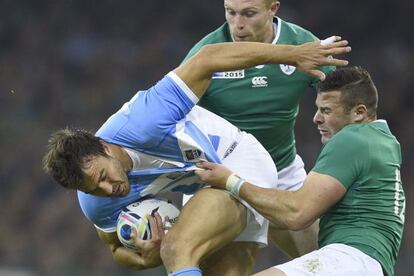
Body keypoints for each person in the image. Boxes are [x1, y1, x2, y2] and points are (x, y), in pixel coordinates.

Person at [43, 39, 350, 276]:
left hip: (237, 159)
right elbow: (115, 250)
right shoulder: (95, 202)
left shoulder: (145, 118)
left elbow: (207, 59)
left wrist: (291, 55)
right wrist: (143, 257)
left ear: (105, 147)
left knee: (178, 248)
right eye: (93, 189)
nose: (108, 190)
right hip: (202, 186)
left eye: (102, 177)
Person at [196, 66, 405, 276]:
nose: (316, 118)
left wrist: (230, 181)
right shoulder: (384, 141)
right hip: (370, 265)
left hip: (351, 259)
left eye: (326, 110)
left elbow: (297, 213)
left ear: (359, 113)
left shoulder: (352, 138)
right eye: (318, 109)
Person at [182, 0, 336, 257]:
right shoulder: (206, 53)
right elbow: (171, 111)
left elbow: (344, 98)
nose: (238, 24)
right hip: (221, 175)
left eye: (249, 14)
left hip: (283, 173)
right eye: (230, 13)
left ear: (273, 9)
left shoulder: (301, 43)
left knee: (325, 262)